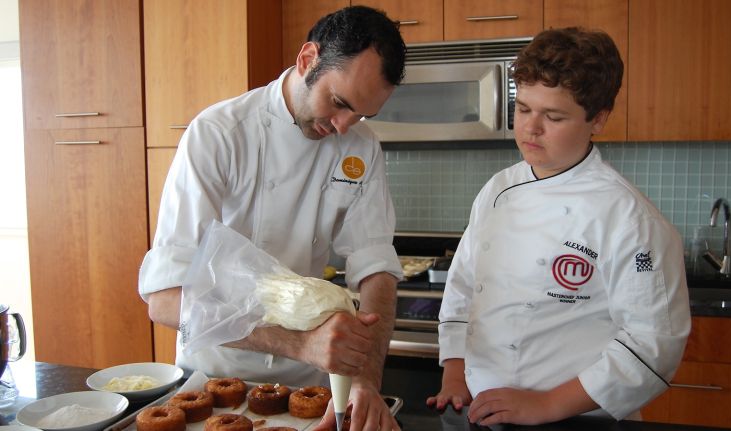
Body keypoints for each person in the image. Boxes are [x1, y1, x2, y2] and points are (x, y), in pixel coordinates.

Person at [138, 6, 406, 431]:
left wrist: (366, 380)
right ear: (307, 60)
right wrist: (300, 343)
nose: (344, 126)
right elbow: (165, 300)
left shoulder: (361, 146)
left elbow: (376, 268)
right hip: (218, 376)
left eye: (361, 114)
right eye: (339, 103)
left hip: (308, 385)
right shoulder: (218, 134)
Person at [426, 27, 691, 426]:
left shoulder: (628, 218)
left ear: (598, 119)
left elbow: (653, 344)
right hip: (481, 411)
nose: (531, 128)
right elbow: (463, 285)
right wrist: (455, 373)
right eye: (523, 109)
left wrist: (547, 404)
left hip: (580, 417)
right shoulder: (498, 189)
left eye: (553, 116)